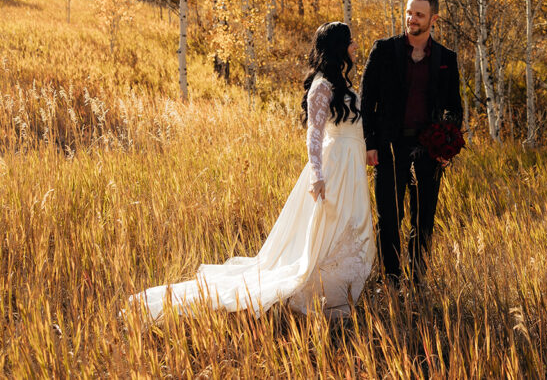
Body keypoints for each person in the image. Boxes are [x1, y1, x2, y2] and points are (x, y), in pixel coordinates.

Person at [127, 22, 375, 321]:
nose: (355, 45)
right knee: (328, 228)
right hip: (333, 165)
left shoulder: (343, 83)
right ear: (338, 47)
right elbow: (313, 133)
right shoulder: (322, 86)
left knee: (352, 224)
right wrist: (317, 175)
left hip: (351, 166)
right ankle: (321, 291)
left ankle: (340, 289)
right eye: (350, 40)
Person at [360, 0, 463, 286]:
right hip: (390, 148)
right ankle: (391, 280)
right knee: (389, 220)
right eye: (408, 12)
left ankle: (417, 280)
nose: (411, 19)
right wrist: (370, 143)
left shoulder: (446, 58)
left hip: (428, 151)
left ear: (433, 18)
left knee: (423, 221)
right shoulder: (383, 51)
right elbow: (366, 101)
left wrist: (447, 147)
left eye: (419, 14)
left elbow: (454, 108)